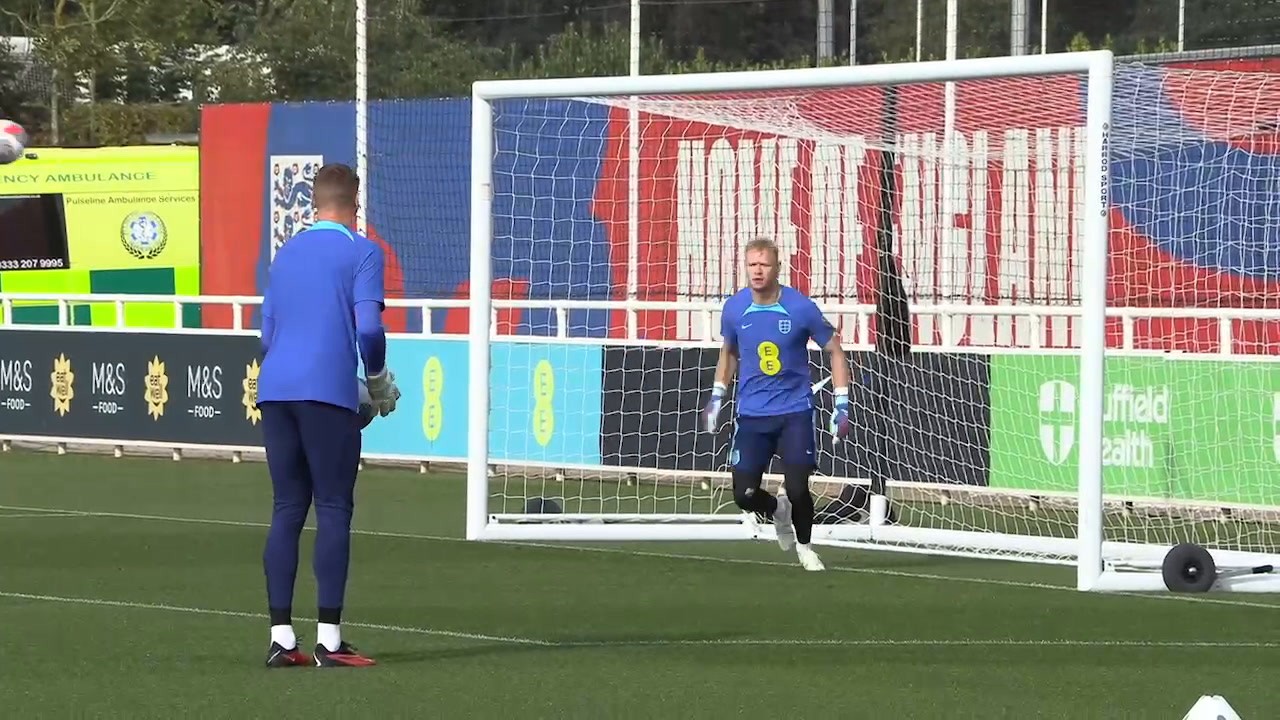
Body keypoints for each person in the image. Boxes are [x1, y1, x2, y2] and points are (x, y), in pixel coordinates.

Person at [256, 163, 400, 668]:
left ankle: (281, 639)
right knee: (334, 508)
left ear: (314, 203)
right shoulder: (361, 251)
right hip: (326, 393)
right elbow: (368, 330)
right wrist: (378, 382)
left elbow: (267, 337)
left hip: (274, 390)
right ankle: (331, 643)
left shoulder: (285, 254)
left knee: (287, 509)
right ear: (355, 204)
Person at [701, 237, 851, 571]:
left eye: (764, 264)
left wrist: (841, 404)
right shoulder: (735, 309)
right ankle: (778, 513)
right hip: (752, 415)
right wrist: (716, 396)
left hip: (794, 412)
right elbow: (729, 352)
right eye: (752, 264)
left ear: (777, 268)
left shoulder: (800, 308)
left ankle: (806, 547)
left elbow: (836, 351)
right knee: (744, 495)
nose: (757, 271)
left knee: (798, 488)